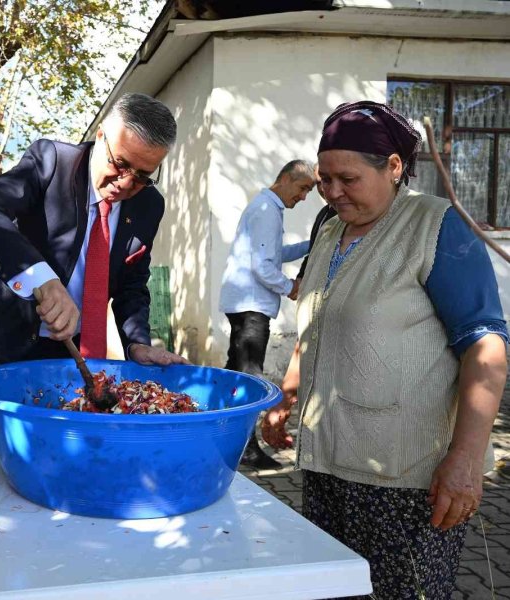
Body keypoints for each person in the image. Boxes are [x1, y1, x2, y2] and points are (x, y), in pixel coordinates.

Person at [262, 101, 508, 599]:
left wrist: (466, 459)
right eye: (324, 179)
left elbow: (486, 346)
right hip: (327, 463)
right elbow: (319, 320)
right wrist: (285, 398)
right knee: (337, 588)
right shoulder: (330, 230)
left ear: (394, 168)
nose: (331, 193)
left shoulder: (436, 227)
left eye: (347, 179)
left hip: (405, 479)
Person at [0, 92, 187, 373]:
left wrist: (137, 343)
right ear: (101, 136)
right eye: (120, 164)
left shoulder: (149, 204)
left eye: (142, 176)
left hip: (70, 349)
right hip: (6, 335)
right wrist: (42, 278)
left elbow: (132, 283)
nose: (125, 183)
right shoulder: (52, 162)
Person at [218, 160, 314, 469]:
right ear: (285, 179)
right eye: (302, 188)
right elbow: (262, 266)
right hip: (251, 307)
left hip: (245, 304)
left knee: (233, 377)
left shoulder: (265, 208)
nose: (303, 198)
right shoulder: (266, 210)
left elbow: (272, 254)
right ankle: (245, 449)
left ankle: (221, 440)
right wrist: (290, 287)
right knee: (249, 379)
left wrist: (312, 245)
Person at [289, 165, 337, 301]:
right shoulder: (323, 213)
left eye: (326, 181)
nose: (321, 188)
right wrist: (300, 279)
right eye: (317, 183)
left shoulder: (348, 214)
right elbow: (313, 251)